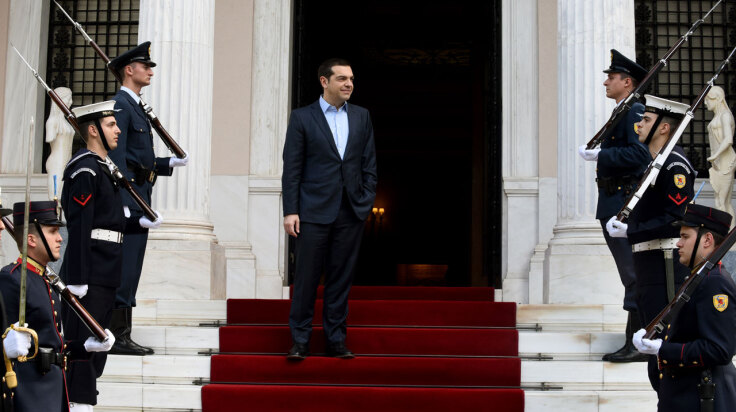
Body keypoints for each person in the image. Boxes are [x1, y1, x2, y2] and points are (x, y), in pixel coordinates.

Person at [282, 57, 377, 360]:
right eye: (342, 79)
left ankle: (335, 340)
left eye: (351, 79)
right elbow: (292, 168)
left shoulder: (362, 116)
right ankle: (300, 341)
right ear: (324, 81)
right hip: (311, 211)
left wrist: (365, 200)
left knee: (340, 279)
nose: (349, 84)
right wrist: (291, 210)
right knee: (306, 278)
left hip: (350, 211)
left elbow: (368, 163)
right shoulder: (302, 117)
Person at [60, 101, 145, 410]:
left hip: (107, 269)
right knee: (84, 345)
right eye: (111, 125)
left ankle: (84, 401)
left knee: (98, 346)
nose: (118, 130)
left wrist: (139, 222)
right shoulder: (85, 169)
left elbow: (109, 220)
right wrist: (78, 278)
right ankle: (78, 404)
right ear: (93, 130)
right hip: (91, 272)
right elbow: (81, 226)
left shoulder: (103, 168)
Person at [607, 95, 695, 381]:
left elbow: (674, 217)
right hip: (648, 262)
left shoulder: (674, 166)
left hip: (664, 263)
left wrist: (630, 230)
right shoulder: (656, 163)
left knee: (664, 338)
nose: (639, 125)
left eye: (646, 120)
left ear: (664, 128)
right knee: (652, 348)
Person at [107, 42, 187, 355]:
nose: (151, 72)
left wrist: (167, 164)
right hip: (131, 200)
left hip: (141, 196)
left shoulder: (136, 106)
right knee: (126, 268)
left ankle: (122, 333)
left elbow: (139, 158)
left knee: (133, 267)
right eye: (146, 66)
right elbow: (117, 159)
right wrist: (128, 206)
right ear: (129, 70)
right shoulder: (121, 105)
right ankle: (117, 336)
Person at [0, 201, 114, 412]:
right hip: (29, 394)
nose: (60, 238)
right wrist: (4, 346)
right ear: (31, 239)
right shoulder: (12, 279)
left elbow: (50, 346)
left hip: (54, 391)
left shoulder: (47, 281)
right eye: (52, 231)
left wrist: (85, 346)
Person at [578, 49, 651, 362]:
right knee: (630, 274)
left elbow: (640, 155)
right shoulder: (623, 110)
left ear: (628, 82)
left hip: (622, 203)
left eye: (611, 77)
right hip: (613, 202)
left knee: (633, 273)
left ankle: (637, 342)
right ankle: (636, 339)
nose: (606, 82)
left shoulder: (634, 110)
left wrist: (601, 155)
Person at [633, 204, 736, 412]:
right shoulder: (698, 278)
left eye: (685, 236)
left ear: (707, 240)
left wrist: (663, 349)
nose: (678, 243)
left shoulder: (715, 282)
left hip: (701, 401)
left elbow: (719, 349)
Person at [705, 85, 736, 225]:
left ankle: (726, 234)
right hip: (719, 162)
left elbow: (728, 139)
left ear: (717, 99)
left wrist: (715, 155)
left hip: (725, 161)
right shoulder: (719, 116)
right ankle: (729, 233)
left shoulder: (725, 115)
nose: (706, 103)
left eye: (708, 100)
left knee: (721, 202)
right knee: (722, 201)